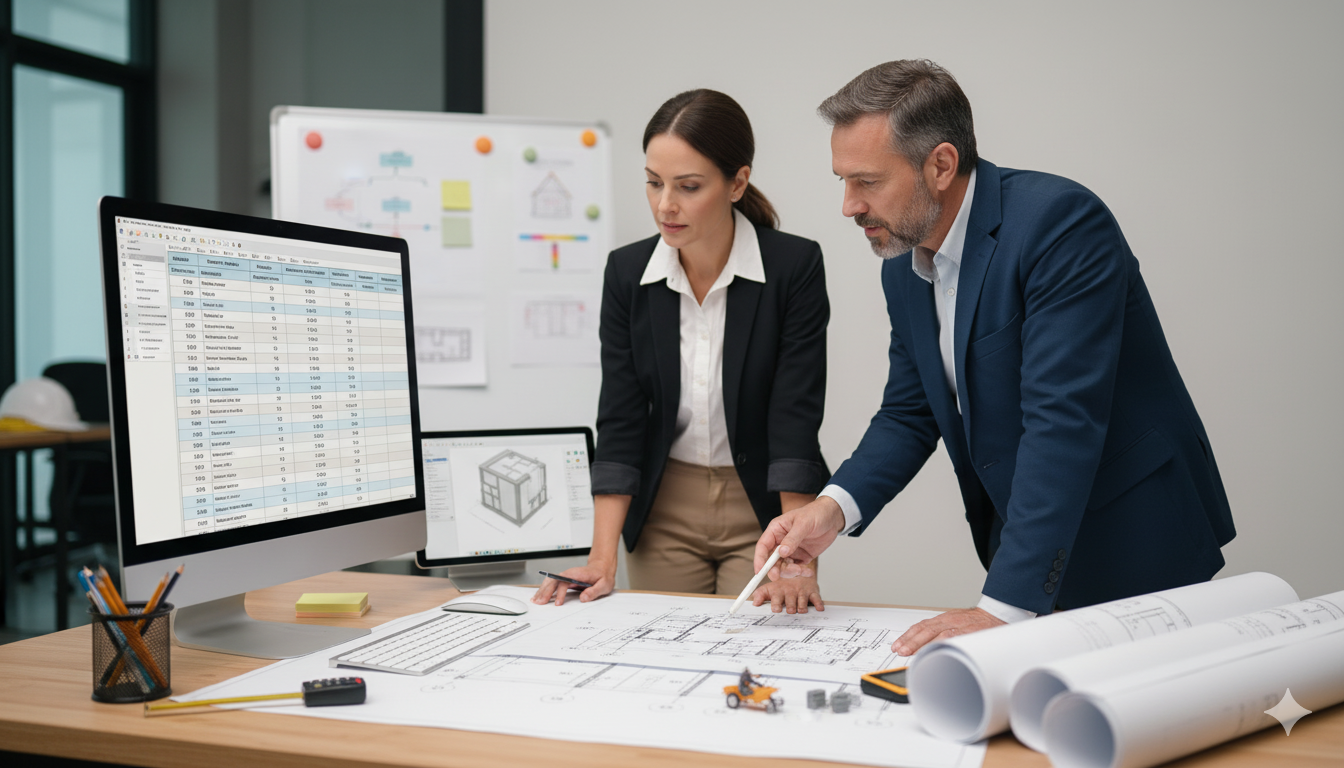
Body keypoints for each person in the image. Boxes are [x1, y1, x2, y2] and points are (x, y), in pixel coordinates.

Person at [754, 60, 1235, 655]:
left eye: (867, 181)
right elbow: (909, 413)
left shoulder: (1059, 224)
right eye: (843, 182)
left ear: (941, 165)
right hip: (1033, 554)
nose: (849, 206)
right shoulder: (905, 265)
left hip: (1132, 540)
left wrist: (1002, 606)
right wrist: (830, 509)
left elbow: (1061, 422)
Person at [533, 89, 831, 613]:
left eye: (688, 187)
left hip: (763, 507)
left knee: (762, 655)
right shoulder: (627, 274)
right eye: (653, 183)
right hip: (663, 509)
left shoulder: (793, 268)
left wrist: (797, 555)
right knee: (663, 655)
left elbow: (794, 414)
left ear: (737, 182)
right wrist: (601, 556)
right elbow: (622, 416)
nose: (665, 205)